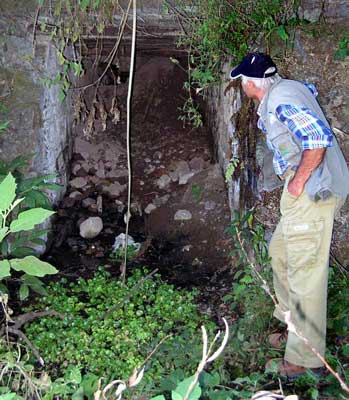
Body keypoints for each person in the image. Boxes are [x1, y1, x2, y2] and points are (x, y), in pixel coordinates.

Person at [229, 52, 349, 378]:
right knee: (279, 252)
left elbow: (317, 139)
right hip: (305, 192)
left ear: (252, 83)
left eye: (242, 81)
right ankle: (294, 326)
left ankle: (304, 359)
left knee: (305, 276)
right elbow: (308, 100)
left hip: (311, 191)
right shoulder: (287, 90)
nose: (242, 87)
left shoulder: (281, 99)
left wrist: (297, 181)